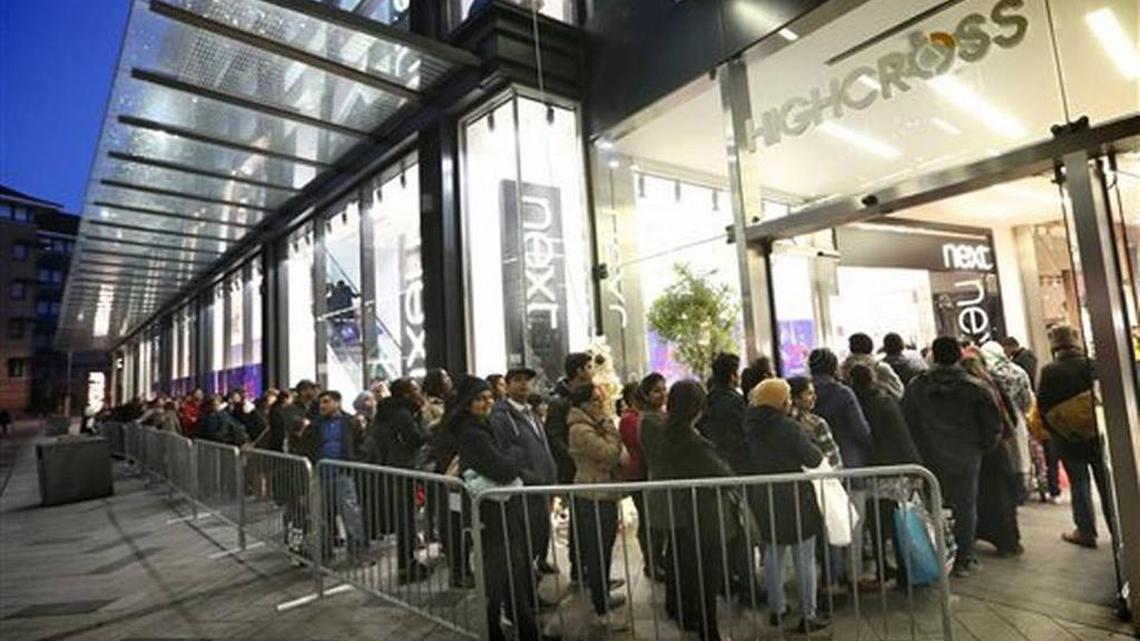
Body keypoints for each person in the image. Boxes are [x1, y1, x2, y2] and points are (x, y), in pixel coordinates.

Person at [902, 336, 1002, 577]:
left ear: (934, 356)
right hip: (967, 456)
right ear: (959, 355)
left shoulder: (917, 386)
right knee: (966, 507)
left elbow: (906, 419)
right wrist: (980, 448)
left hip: (928, 457)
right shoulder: (975, 387)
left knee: (931, 507)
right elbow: (992, 426)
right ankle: (964, 558)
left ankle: (937, 555)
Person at [451, 375, 540, 641]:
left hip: (499, 513)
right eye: (479, 398)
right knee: (499, 578)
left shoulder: (482, 426)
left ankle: (524, 630)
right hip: (492, 516)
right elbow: (502, 468)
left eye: (489, 397)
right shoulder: (473, 433)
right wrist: (516, 455)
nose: (486, 402)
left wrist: (510, 457)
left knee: (511, 576)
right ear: (467, 403)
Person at [653, 380, 743, 641]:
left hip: (685, 514)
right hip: (705, 515)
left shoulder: (668, 432)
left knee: (690, 571)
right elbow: (722, 473)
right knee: (708, 576)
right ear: (696, 407)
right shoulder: (692, 441)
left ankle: (697, 622)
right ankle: (709, 631)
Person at [745, 379, 829, 633]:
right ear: (780, 401)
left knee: (773, 553)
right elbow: (813, 458)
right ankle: (808, 613)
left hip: (764, 495)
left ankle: (777, 608)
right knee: (804, 557)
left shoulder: (750, 426)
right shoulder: (788, 427)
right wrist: (810, 440)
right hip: (793, 497)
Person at [1037, 325, 1117, 549]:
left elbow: (1043, 407)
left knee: (1079, 484)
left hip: (1068, 438)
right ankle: (1117, 528)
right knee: (1105, 483)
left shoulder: (1050, 371)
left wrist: (1056, 432)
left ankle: (1086, 531)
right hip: (1095, 433)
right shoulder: (1091, 365)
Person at [849, 364, 922, 586]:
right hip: (891, 467)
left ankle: (882, 567)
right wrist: (915, 464)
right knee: (897, 520)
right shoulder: (884, 401)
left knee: (875, 523)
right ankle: (904, 569)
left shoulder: (853, 403)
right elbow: (901, 435)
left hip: (867, 468)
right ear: (872, 378)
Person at [567, 382, 630, 628]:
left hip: (605, 492)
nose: (601, 405)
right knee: (596, 551)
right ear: (583, 404)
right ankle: (600, 608)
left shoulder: (595, 424)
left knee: (605, 547)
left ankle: (602, 594)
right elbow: (610, 453)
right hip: (592, 495)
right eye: (596, 400)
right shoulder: (580, 429)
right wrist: (611, 430)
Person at [488, 367, 558, 575]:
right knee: (525, 541)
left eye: (526, 380)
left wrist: (550, 475)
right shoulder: (501, 416)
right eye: (517, 380)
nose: (523, 384)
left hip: (541, 487)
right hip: (523, 488)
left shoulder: (531, 414)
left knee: (539, 534)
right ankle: (526, 595)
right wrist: (527, 476)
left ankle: (533, 580)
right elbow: (504, 450)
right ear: (507, 385)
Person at [367, 378, 431, 582]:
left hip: (394, 468)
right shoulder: (403, 414)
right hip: (404, 469)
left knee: (405, 517)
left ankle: (406, 562)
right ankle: (407, 562)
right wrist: (425, 425)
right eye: (414, 389)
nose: (418, 391)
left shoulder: (386, 412)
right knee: (406, 518)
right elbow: (416, 438)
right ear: (405, 394)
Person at [960, 352, 1023, 557]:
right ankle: (1008, 541)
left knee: (979, 497)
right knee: (1003, 498)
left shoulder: (965, 390)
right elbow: (1010, 417)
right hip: (998, 450)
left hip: (975, 450)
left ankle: (979, 534)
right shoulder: (992, 385)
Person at [545, 352, 595, 582]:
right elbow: (554, 437)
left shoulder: (586, 395)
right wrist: (573, 456)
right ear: (578, 371)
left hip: (587, 467)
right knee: (581, 520)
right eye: (588, 366)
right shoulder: (558, 402)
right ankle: (580, 569)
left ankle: (587, 569)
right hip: (573, 470)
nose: (592, 370)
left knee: (587, 520)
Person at [300, 391, 366, 561]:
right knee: (321, 515)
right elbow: (306, 445)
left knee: (350, 513)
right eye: (321, 402)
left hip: (343, 474)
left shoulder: (350, 422)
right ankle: (325, 551)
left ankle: (357, 551)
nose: (322, 405)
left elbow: (359, 443)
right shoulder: (315, 425)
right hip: (321, 475)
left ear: (337, 402)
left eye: (326, 402)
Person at [619, 373, 666, 579]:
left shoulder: (654, 416)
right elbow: (641, 445)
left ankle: (658, 559)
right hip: (641, 475)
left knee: (656, 520)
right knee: (648, 521)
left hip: (652, 474)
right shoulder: (631, 419)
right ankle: (651, 562)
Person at [809, 348, 873, 470]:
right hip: (848, 460)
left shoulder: (801, 394)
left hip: (816, 464)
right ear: (833, 368)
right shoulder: (843, 393)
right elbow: (861, 430)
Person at [700, 352, 750, 474]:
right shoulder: (735, 401)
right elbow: (742, 430)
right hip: (736, 461)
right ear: (732, 376)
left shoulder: (708, 399)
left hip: (715, 459)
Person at [787, 376, 842, 468]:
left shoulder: (818, 423)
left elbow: (832, 455)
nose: (814, 397)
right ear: (796, 398)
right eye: (809, 393)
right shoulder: (817, 424)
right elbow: (833, 457)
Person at [841, 333, 904, 400]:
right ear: (871, 347)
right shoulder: (881, 368)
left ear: (851, 348)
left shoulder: (842, 370)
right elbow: (900, 393)